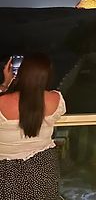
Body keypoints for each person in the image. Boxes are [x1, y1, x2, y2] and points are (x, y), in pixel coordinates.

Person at [0, 53, 66, 199]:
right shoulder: (55, 100)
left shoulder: (2, 102)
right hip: (43, 165)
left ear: (21, 74)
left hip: (5, 170)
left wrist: (6, 84)